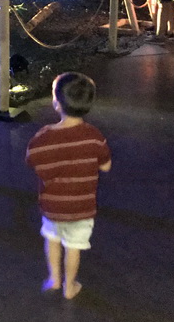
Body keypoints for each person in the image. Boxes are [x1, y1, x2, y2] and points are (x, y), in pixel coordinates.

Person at [25, 72, 112, 300]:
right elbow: (106, 166)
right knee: (74, 247)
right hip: (82, 208)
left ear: (56, 104)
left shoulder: (43, 138)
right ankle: (70, 286)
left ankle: (54, 279)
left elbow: (32, 160)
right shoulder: (94, 136)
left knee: (52, 241)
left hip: (52, 206)